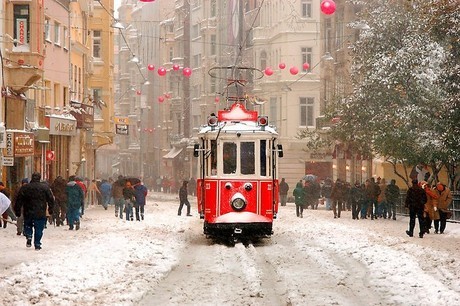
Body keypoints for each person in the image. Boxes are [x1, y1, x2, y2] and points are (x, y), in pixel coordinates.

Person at [14, 172, 55, 250]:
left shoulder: (25, 188)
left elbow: (19, 200)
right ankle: (37, 243)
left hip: (28, 210)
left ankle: (29, 235)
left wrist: (17, 210)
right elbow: (50, 199)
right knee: (39, 228)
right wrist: (51, 209)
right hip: (40, 210)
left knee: (28, 225)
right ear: (39, 178)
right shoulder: (44, 188)